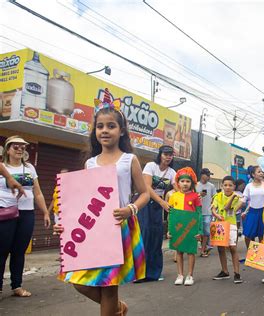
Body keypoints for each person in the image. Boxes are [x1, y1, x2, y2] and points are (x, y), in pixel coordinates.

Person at [54, 94, 150, 315]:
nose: (105, 130)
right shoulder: (90, 163)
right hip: (92, 229)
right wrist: (65, 226)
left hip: (118, 227)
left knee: (108, 286)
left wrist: (130, 209)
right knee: (79, 281)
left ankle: (114, 307)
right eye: (100, 126)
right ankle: (119, 308)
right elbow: (82, 202)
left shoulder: (129, 160)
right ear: (94, 131)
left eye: (111, 126)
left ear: (122, 131)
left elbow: (144, 193)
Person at [0, 136, 50, 298]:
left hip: (26, 213)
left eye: (23, 147)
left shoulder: (29, 168)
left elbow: (37, 192)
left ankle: (17, 286)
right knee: (2, 250)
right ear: (8, 149)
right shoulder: (2, 168)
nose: (20, 149)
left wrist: (45, 211)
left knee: (19, 251)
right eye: (16, 147)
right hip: (6, 212)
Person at [138, 145, 176, 282]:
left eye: (170, 154)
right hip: (145, 203)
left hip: (158, 207)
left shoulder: (172, 172)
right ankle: (139, 274)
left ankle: (154, 273)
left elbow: (179, 188)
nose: (168, 157)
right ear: (160, 154)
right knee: (144, 236)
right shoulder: (150, 166)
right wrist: (162, 202)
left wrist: (192, 196)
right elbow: (147, 187)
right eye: (165, 154)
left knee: (156, 238)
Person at [168, 167, 202, 286]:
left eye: (187, 181)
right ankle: (180, 275)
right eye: (182, 181)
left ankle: (190, 275)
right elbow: (170, 215)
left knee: (191, 252)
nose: (185, 184)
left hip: (191, 227)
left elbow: (199, 214)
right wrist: (169, 230)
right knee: (179, 251)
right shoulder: (173, 196)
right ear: (178, 183)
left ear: (192, 183)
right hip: (178, 228)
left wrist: (200, 231)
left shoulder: (196, 196)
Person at [211, 175, 243, 284]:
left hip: (231, 224)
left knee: (233, 248)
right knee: (220, 249)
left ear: (234, 186)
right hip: (219, 224)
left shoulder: (236, 198)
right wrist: (217, 215)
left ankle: (237, 273)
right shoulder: (217, 196)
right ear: (222, 186)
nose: (228, 187)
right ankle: (224, 271)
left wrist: (233, 197)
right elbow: (213, 209)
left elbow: (227, 208)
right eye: (225, 185)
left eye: (230, 185)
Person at [242, 166, 264, 249]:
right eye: (259, 172)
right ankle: (251, 253)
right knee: (247, 235)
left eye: (262, 172)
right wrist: (240, 210)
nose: (261, 173)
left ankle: (262, 255)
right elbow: (244, 199)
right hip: (252, 212)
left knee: (262, 236)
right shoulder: (249, 186)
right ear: (253, 174)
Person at [196, 168, 217, 257]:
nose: (208, 177)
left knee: (206, 232)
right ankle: (201, 246)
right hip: (197, 212)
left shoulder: (211, 186)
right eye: (207, 175)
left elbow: (214, 197)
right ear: (202, 175)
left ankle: (203, 249)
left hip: (208, 212)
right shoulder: (195, 185)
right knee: (199, 232)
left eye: (209, 175)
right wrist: (199, 195)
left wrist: (213, 208)